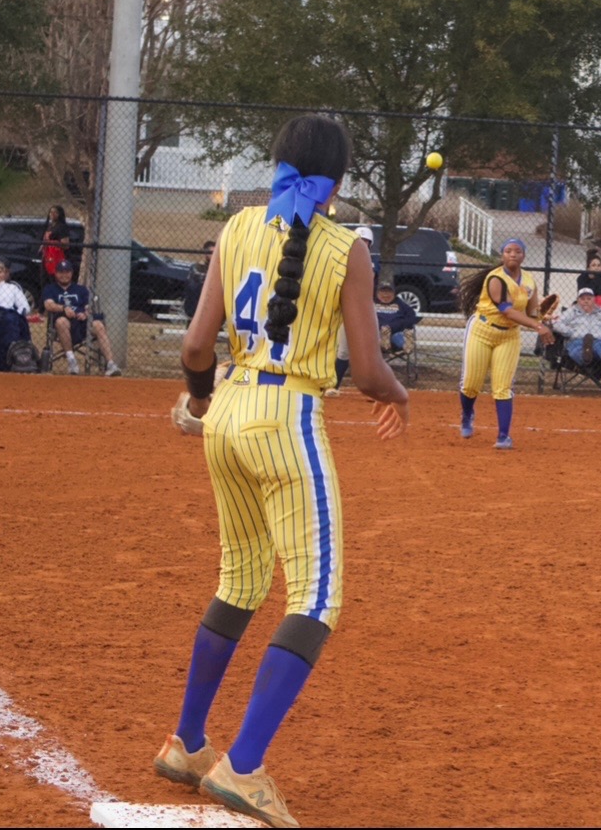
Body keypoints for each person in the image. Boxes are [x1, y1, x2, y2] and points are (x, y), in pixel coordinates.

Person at [158, 114, 408, 829]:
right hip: (287, 421)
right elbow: (364, 368)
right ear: (339, 181)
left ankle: (187, 741)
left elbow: (198, 342)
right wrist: (398, 392)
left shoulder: (237, 228)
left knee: (239, 580)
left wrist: (200, 399)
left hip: (228, 412)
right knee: (317, 596)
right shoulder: (347, 248)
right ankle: (244, 766)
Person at [458, 239, 555, 448]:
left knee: (502, 387)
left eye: (518, 251)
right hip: (482, 330)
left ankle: (503, 436)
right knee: (471, 384)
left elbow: (530, 313)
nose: (513, 254)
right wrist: (538, 327)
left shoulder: (529, 281)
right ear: (502, 255)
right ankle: (467, 415)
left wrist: (542, 316)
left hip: (509, 336)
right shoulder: (496, 278)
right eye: (508, 251)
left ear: (523, 256)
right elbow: (507, 310)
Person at [41, 260, 122, 376]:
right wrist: (63, 309)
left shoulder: (81, 289)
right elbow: (48, 304)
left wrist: (85, 313)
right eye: (61, 272)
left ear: (72, 273)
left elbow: (89, 306)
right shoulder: (50, 289)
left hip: (83, 322)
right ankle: (71, 361)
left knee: (98, 325)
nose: (64, 275)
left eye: (67, 272)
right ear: (56, 273)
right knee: (61, 321)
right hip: (65, 323)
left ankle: (110, 364)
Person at [550, 287, 601, 380]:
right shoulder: (572, 311)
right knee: (576, 351)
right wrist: (570, 332)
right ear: (578, 300)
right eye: (582, 299)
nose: (586, 301)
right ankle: (586, 356)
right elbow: (557, 323)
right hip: (577, 340)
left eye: (589, 299)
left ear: (594, 300)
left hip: (599, 340)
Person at [373, 280, 420, 356]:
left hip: (396, 332)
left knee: (400, 336)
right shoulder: (372, 303)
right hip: (377, 333)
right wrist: (381, 327)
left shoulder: (400, 304)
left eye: (389, 292)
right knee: (377, 335)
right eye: (383, 291)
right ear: (377, 293)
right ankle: (384, 343)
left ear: (394, 293)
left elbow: (412, 317)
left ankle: (405, 346)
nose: (385, 295)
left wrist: (392, 327)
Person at [184, 240, 216, 319]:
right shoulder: (197, 267)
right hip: (198, 300)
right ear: (205, 253)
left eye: (215, 252)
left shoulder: (220, 268)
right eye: (211, 252)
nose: (213, 255)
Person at [42, 205, 74, 281]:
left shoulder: (62, 227)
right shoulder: (49, 226)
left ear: (60, 214)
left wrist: (52, 243)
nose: (52, 214)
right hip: (47, 258)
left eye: (55, 212)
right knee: (45, 281)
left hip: (57, 259)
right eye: (51, 212)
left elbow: (66, 245)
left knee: (55, 280)